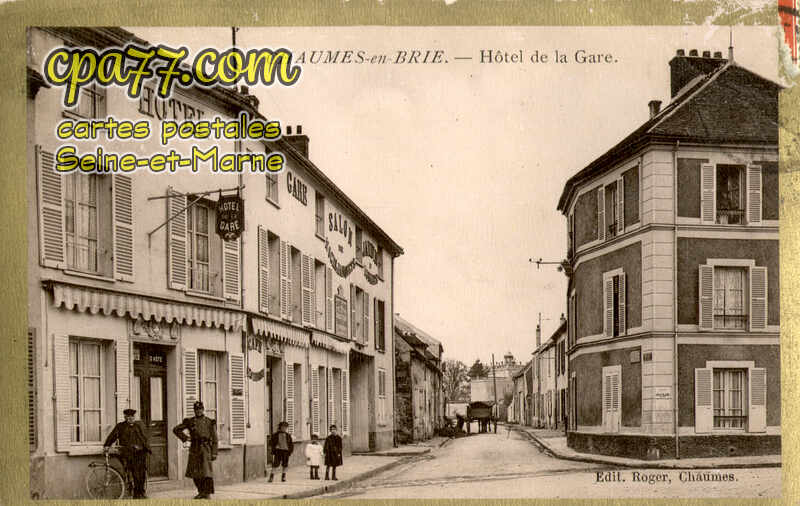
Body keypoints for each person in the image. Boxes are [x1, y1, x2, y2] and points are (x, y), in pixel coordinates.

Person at [172, 401, 218, 499]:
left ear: (203, 409)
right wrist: (185, 438)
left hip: (206, 449)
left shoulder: (210, 422)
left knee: (206, 473)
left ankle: (207, 493)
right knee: (195, 473)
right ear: (194, 410)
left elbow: (215, 439)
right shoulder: (190, 421)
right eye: (196, 409)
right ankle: (201, 492)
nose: (198, 411)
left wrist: (214, 453)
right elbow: (176, 429)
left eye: (200, 409)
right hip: (194, 448)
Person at [103, 408, 151, 499]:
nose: (131, 418)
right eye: (128, 416)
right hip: (128, 453)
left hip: (140, 452)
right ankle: (136, 494)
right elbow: (113, 436)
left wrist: (145, 448)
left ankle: (141, 492)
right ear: (125, 417)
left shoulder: (138, 426)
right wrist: (107, 445)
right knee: (135, 473)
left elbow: (144, 438)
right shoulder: (120, 426)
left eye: (132, 416)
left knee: (142, 473)